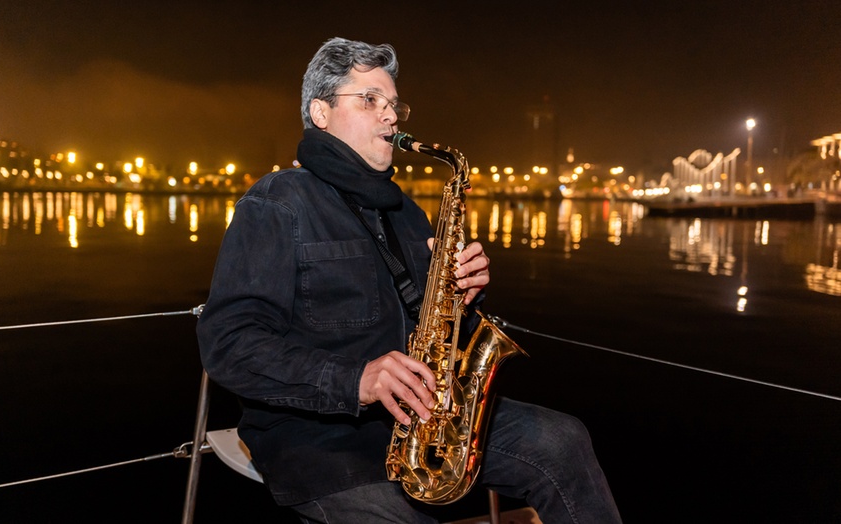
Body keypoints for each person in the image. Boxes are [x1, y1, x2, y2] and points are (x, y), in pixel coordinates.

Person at [197, 37, 621, 523]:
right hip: (318, 441)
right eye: (370, 100)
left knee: (562, 440)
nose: (391, 116)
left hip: (426, 418)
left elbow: (436, 330)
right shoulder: (277, 202)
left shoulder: (407, 213)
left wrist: (464, 297)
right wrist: (357, 379)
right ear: (320, 113)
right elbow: (229, 344)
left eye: (394, 103)